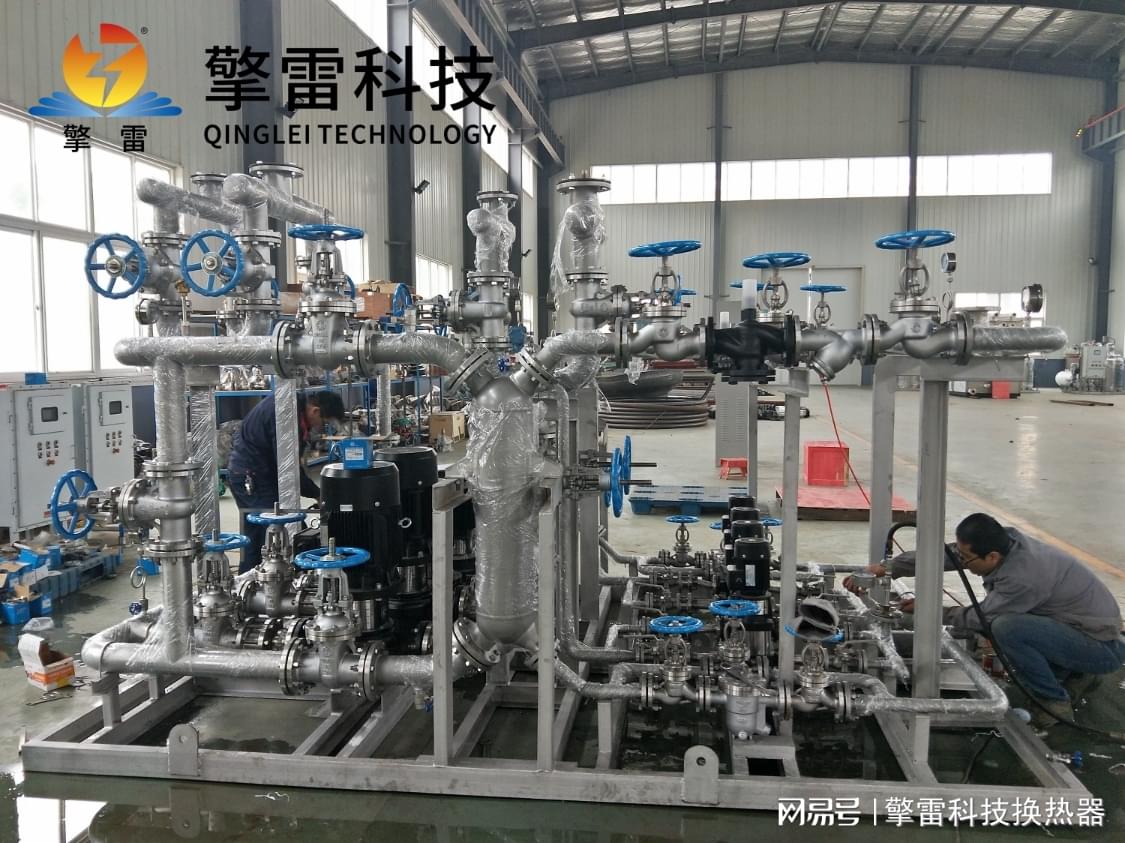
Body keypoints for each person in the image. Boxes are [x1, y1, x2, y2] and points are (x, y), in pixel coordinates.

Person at [848, 513, 1123, 728]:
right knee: (1011, 624)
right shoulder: (1005, 543)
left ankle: (1054, 703)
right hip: (1079, 628)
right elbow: (949, 555)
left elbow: (981, 618)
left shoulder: (1023, 578)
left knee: (1007, 628)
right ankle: (1075, 674)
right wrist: (886, 568)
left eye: (967, 559)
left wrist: (930, 610)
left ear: (991, 557)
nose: (963, 562)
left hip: (1100, 646)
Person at [227, 390, 346, 573]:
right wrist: (317, 493)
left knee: (258, 534)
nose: (322, 428)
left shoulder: (294, 406)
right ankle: (253, 582)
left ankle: (250, 580)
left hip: (253, 472)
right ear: (315, 411)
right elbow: (288, 468)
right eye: (324, 422)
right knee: (270, 532)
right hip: (252, 477)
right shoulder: (286, 414)